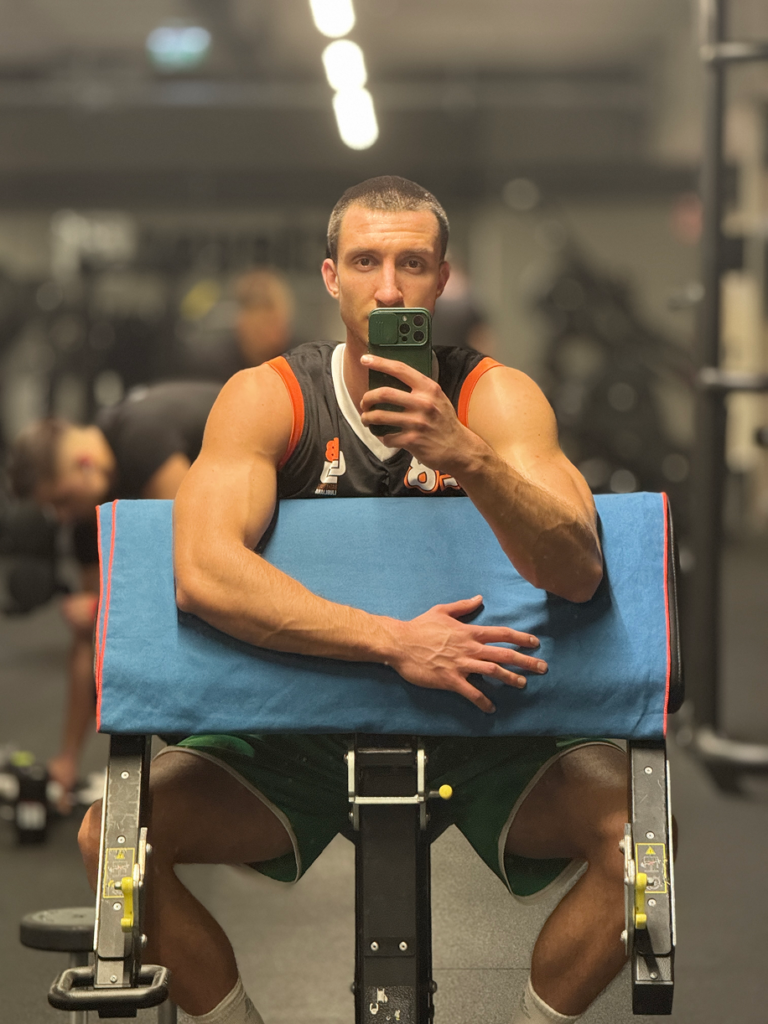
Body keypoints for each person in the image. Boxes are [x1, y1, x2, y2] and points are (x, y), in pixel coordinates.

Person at [78, 176, 625, 1024]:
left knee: (637, 841)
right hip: (298, 735)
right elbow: (204, 571)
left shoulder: (496, 398)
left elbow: (579, 569)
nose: (390, 289)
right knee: (112, 840)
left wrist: (468, 456)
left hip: (482, 726)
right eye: (366, 262)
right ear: (331, 276)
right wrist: (395, 641)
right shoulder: (271, 398)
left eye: (413, 264)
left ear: (444, 279)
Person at [7, 380, 221, 805]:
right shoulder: (86, 517)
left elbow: (199, 558)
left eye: (62, 500)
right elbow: (89, 640)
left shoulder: (142, 439)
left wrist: (106, 607)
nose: (62, 516)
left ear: (84, 463)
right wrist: (67, 758)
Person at [180, 268, 294, 382]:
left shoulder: (296, 363)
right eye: (261, 328)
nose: (272, 334)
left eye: (275, 323)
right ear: (241, 324)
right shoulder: (212, 365)